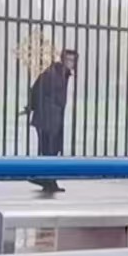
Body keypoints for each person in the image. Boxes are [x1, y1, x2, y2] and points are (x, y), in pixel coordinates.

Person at [24, 49, 76, 193]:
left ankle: (48, 180)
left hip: (53, 118)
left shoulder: (62, 74)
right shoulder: (52, 74)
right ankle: (45, 179)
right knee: (49, 151)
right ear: (63, 59)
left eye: (73, 60)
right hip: (47, 118)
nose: (71, 63)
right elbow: (36, 89)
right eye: (69, 60)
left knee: (51, 151)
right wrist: (32, 106)